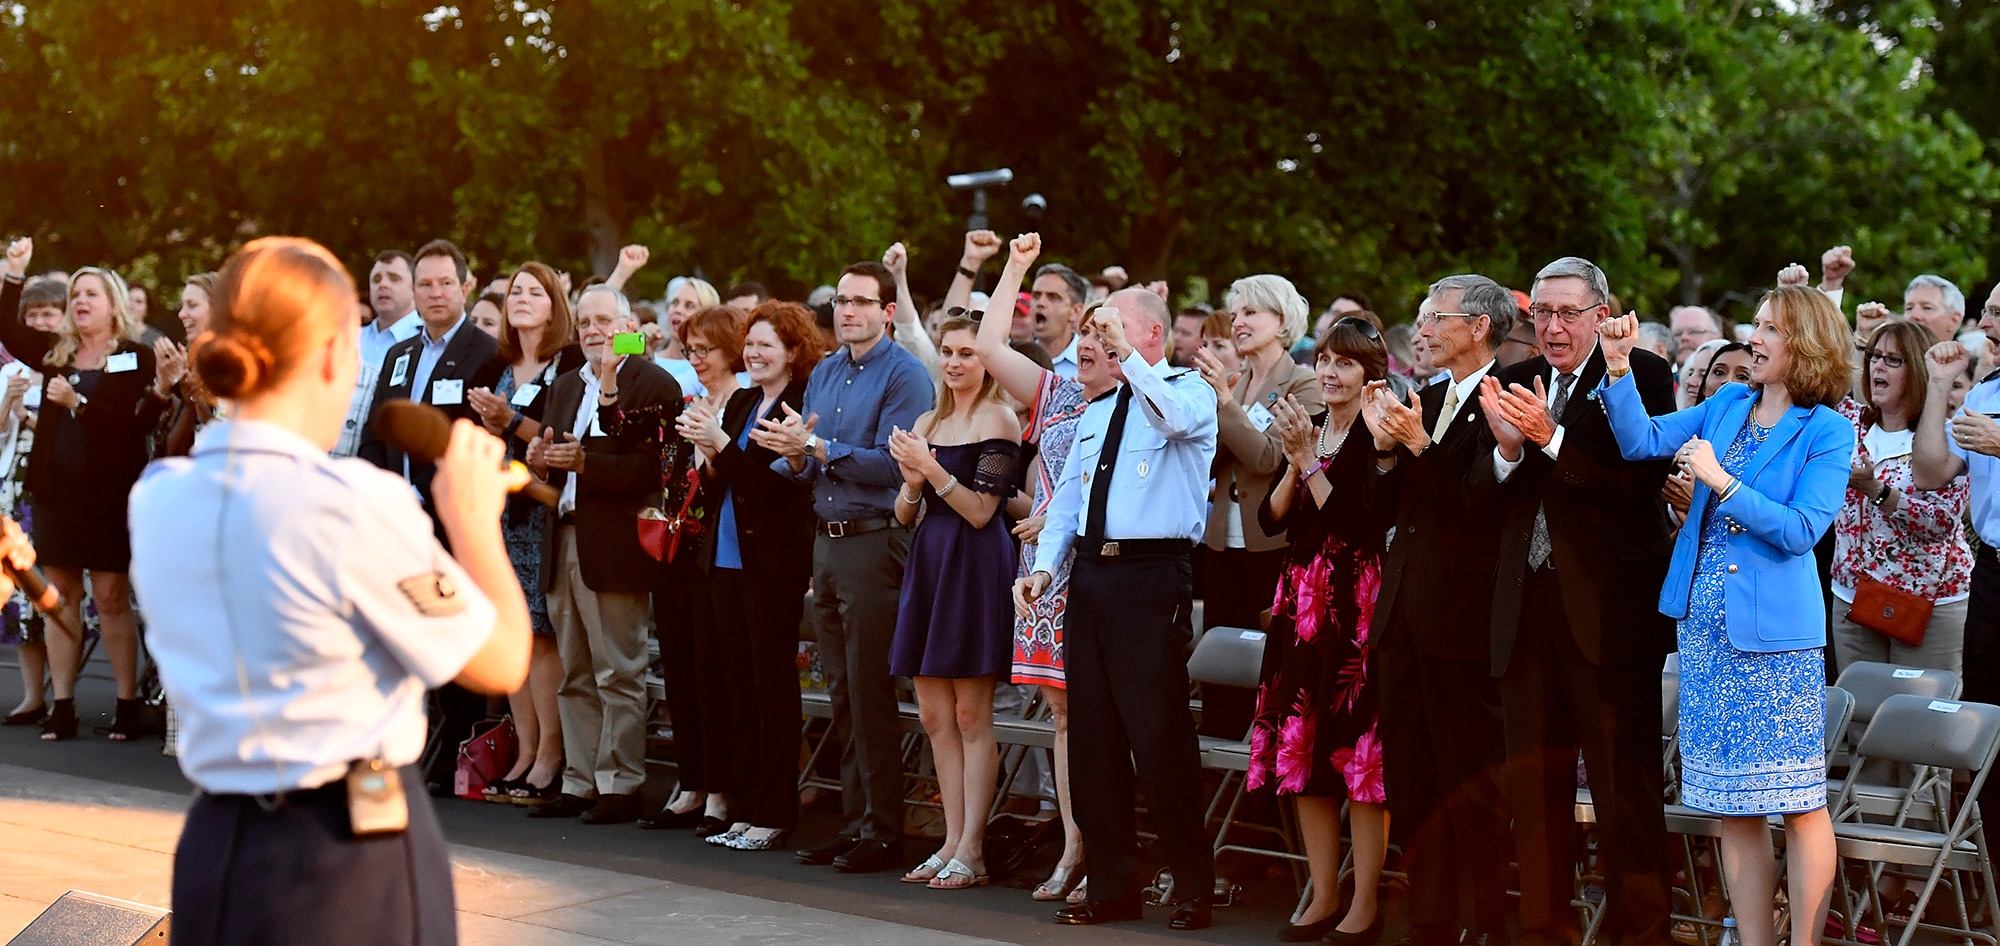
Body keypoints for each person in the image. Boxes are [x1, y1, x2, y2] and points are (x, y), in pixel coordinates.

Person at [127, 236, 531, 945]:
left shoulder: (159, 495)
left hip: (217, 837)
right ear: (331, 355)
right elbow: (498, 659)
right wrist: (473, 523)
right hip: (343, 848)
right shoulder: (350, 501)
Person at [1597, 286, 1853, 946]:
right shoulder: (1730, 403)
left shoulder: (1827, 429)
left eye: (1771, 328)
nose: (1755, 337)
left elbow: (1801, 530)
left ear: (1806, 344)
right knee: (1733, 809)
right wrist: (1620, 367)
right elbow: (1640, 441)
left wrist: (1722, 482)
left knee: (1798, 805)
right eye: (1756, 324)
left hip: (1776, 645)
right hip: (1705, 632)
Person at [1471, 257, 1678, 946]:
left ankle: (1639, 934)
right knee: (1533, 795)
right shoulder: (1508, 380)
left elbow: (1636, 485)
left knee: (1625, 794)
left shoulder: (1639, 373)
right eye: (1543, 315)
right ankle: (1543, 932)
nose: (1553, 327)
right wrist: (1505, 452)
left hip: (1609, 618)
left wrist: (1548, 440)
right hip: (1525, 614)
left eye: (1567, 313)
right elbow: (1479, 501)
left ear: (1601, 313)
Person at [1015, 288, 1219, 931]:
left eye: (1111, 328)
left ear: (1151, 334)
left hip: (1151, 573)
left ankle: (1192, 886)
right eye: (1095, 328)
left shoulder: (1187, 390)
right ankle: (1111, 885)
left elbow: (1174, 422)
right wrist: (1047, 567)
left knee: (1158, 737)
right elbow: (1069, 504)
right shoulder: (1097, 407)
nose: (1097, 339)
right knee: (1095, 739)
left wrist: (1129, 357)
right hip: (1094, 575)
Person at [1359, 274, 1515, 946]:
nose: (1419, 330)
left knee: (1471, 786)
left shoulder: (1507, 402)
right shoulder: (1420, 398)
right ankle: (1428, 922)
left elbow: (1478, 503)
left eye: (1434, 318)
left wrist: (1419, 447)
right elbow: (1389, 511)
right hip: (1404, 616)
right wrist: (1387, 453)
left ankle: (1483, 924)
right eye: (1419, 318)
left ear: (1478, 326)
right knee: (1414, 782)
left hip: (1465, 620)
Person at [762, 261, 931, 874]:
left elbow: (895, 465)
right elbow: (809, 461)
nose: (848, 311)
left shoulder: (906, 375)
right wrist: (794, 453)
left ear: (888, 311)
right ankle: (857, 823)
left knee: (869, 690)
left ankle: (885, 830)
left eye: (862, 301)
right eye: (841, 300)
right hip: (827, 541)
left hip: (874, 540)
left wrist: (816, 450)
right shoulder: (827, 370)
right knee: (840, 691)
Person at [1253, 317, 1394, 944]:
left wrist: (1310, 461)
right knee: (1304, 751)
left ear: (1370, 373)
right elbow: (1272, 519)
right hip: (1300, 600)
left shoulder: (1375, 432)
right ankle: (1323, 892)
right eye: (1325, 360)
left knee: (1358, 759)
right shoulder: (1314, 431)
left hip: (1354, 602)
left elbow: (1359, 520)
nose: (1330, 372)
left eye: (1345, 363)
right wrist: (1294, 462)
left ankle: (1365, 901)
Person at [519, 284, 679, 825]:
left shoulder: (653, 383)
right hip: (561, 534)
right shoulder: (565, 385)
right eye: (585, 322)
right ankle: (580, 780)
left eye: (604, 320)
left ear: (629, 323)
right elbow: (553, 458)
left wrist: (586, 465)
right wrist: (541, 461)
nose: (593, 330)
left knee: (619, 669)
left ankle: (622, 783)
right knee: (575, 670)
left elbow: (653, 471)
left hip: (614, 542)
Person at [0, 241, 163, 743]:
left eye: (90, 294)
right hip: (57, 495)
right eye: (75, 295)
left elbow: (129, 427)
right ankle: (64, 704)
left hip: (109, 494)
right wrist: (14, 274)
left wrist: (79, 402)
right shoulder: (57, 354)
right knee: (62, 594)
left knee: (112, 597)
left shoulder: (135, 358)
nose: (80, 302)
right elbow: (7, 328)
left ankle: (126, 703)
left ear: (113, 303)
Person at [972, 233, 1094, 902]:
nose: (1039, 309)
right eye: (1034, 300)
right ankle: (1072, 843)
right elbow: (990, 349)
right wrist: (1012, 266)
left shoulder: (1133, 389)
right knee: (1061, 714)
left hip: (1095, 563)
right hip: (1042, 569)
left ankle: (1092, 848)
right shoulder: (1054, 387)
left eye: (1053, 299)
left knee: (1092, 713)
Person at [673, 301, 820, 850]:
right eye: (750, 344)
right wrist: (707, 451)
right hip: (724, 559)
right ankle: (740, 802)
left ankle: (775, 810)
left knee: (772, 687)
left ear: (792, 352)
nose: (754, 354)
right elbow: (719, 485)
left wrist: (722, 448)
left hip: (773, 565)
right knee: (737, 686)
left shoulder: (797, 407)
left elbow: (772, 488)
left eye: (766, 345)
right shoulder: (739, 402)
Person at [887, 314, 1021, 889]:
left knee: (971, 714)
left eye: (968, 352)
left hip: (974, 563)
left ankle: (974, 846)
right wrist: (912, 483)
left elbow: (982, 511)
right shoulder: (927, 418)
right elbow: (901, 513)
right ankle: (948, 842)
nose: (955, 362)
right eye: (947, 351)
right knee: (935, 714)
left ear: (988, 359)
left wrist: (931, 469)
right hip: (930, 560)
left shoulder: (1000, 418)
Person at [463, 262, 586, 805]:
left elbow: (563, 437)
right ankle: (524, 749)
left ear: (555, 303)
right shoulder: (497, 364)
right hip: (497, 511)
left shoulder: (572, 364)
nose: (523, 299)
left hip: (544, 513)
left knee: (541, 636)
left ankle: (551, 756)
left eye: (535, 292)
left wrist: (510, 420)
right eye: (516, 292)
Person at [647, 304, 748, 835]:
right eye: (690, 350)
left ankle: (720, 787)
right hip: (677, 546)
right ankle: (691, 781)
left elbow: (730, 477)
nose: (697, 359)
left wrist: (707, 444)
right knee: (679, 668)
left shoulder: (744, 401)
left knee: (714, 671)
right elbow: (663, 464)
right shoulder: (688, 399)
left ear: (732, 348)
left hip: (720, 550)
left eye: (705, 349)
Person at [1827, 320, 1973, 677]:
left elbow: (1939, 525)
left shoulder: (1945, 437)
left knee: (1917, 720)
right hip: (1851, 595)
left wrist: (1876, 491)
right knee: (1859, 714)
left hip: (1926, 603)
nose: (1877, 365)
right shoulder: (1848, 422)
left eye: (1894, 360)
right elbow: (1820, 369)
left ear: (1921, 370)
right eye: (1875, 356)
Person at [1191, 275, 1324, 642]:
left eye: (1250, 312)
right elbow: (1206, 463)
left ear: (1280, 319)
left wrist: (1224, 401)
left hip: (1270, 546)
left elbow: (1267, 459)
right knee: (1217, 659)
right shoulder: (1235, 381)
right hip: (1219, 545)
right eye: (1235, 315)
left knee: (1261, 660)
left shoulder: (1304, 384)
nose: (1238, 323)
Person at [0, 275, 56, 727]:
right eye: (31, 316)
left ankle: (65, 693)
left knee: (55, 591)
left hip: (54, 487)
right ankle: (32, 694)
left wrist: (30, 419)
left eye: (47, 314)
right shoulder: (9, 372)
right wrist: (10, 410)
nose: (39, 322)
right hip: (14, 485)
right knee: (21, 597)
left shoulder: (68, 368)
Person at [335, 250, 420, 458]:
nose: (383, 285)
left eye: (394, 278)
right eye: (376, 279)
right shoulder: (350, 337)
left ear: (414, 288)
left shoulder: (425, 343)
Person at [151, 274, 222, 459]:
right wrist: (165, 388)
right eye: (183, 306)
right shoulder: (185, 366)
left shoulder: (240, 369)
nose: (182, 314)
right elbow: (169, 451)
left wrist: (198, 401)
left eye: (192, 305)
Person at [1031, 264, 1089, 379]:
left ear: (1075, 311)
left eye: (1053, 297)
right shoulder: (1016, 358)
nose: (1040, 303)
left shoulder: (1091, 362)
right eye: (1036, 296)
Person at [1903, 274, 1966, 346]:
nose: (1914, 315)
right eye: (1909, 308)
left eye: (1927, 308)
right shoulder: (1889, 355)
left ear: (1954, 320)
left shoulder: (1973, 356)